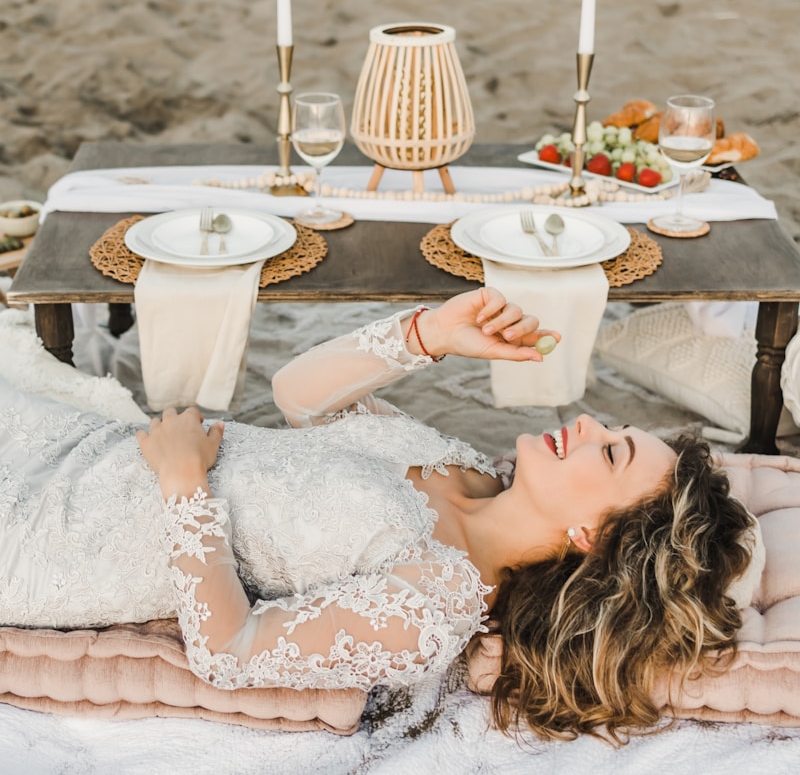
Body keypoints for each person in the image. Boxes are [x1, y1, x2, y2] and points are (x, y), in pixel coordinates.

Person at [0, 287, 758, 741]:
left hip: (55, 536)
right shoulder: (462, 464)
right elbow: (302, 395)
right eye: (613, 428)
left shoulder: (435, 605)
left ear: (591, 539)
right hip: (78, 447)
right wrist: (430, 334)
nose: (589, 422)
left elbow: (230, 650)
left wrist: (183, 484)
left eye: (612, 452)